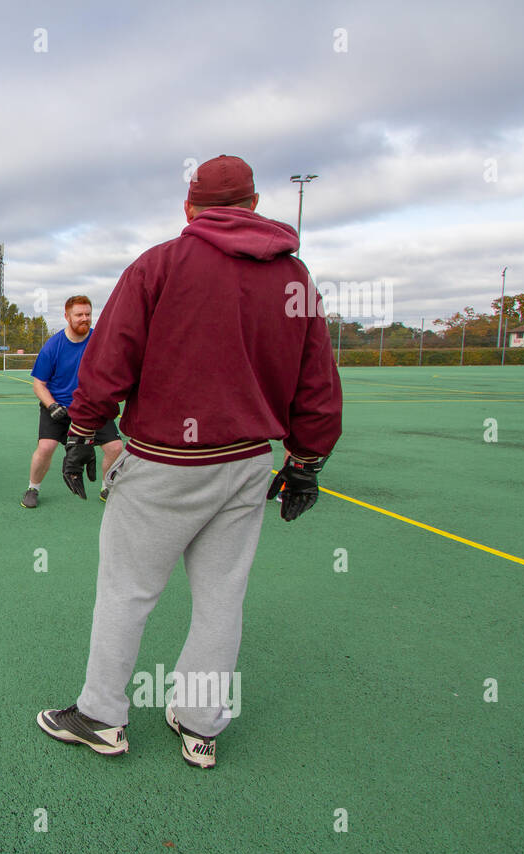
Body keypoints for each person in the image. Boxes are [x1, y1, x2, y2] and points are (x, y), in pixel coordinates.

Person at [37, 155, 343, 769]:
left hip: (164, 462)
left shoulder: (160, 264)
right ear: (255, 206)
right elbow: (317, 383)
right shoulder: (295, 277)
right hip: (250, 462)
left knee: (127, 592)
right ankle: (200, 724)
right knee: (221, 598)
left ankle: (101, 716)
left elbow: (108, 359)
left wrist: (82, 430)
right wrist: (306, 460)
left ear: (190, 207)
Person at [22, 295, 124, 508]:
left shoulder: (100, 341)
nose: (84, 318)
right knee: (46, 447)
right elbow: (38, 384)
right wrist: (52, 406)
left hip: (91, 407)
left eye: (88, 314)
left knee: (115, 447)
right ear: (67, 316)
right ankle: (33, 488)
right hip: (58, 407)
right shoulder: (53, 346)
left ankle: (107, 488)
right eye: (79, 315)